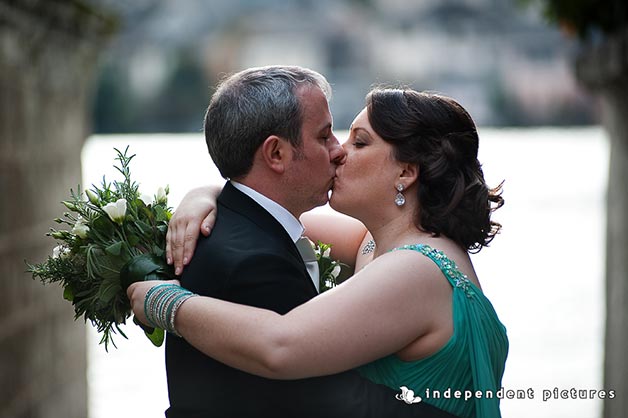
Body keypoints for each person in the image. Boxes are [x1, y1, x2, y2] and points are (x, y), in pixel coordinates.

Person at [129, 66, 458, 418]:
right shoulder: (256, 262)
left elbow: (284, 350)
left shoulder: (400, 256)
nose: (339, 151)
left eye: (357, 142)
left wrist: (163, 302)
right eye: (325, 136)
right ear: (276, 155)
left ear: (407, 172)